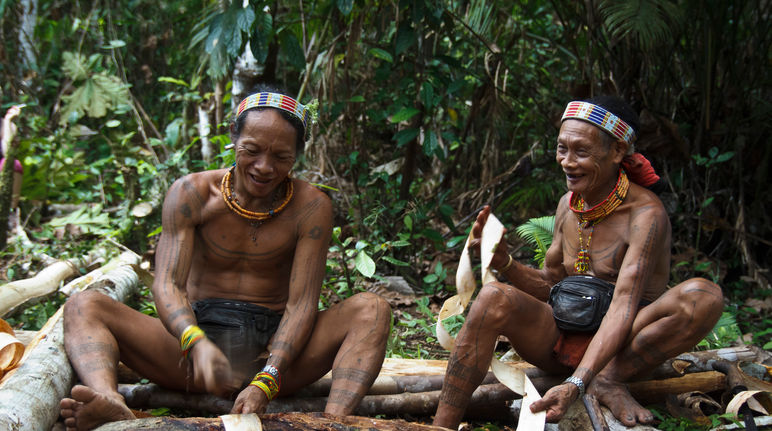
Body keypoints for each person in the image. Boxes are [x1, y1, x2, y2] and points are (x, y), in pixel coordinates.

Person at [59, 88, 392, 431]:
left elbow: (302, 305)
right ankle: (110, 403)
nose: (264, 167)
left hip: (272, 354)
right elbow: (168, 283)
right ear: (233, 136)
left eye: (281, 156)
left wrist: (269, 378)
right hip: (190, 355)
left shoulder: (311, 207)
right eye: (252, 150)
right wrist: (194, 342)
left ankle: (333, 424)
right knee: (85, 306)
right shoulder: (192, 193)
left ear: (297, 155)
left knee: (372, 310)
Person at [433, 96, 723, 428]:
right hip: (561, 342)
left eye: (581, 152)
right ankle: (441, 425)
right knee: (491, 297)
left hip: (622, 348)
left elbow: (623, 305)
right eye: (561, 149)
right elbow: (551, 286)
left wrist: (578, 382)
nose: (567, 162)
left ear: (617, 152)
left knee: (704, 296)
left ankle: (608, 379)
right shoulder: (566, 206)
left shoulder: (646, 214)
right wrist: (505, 263)